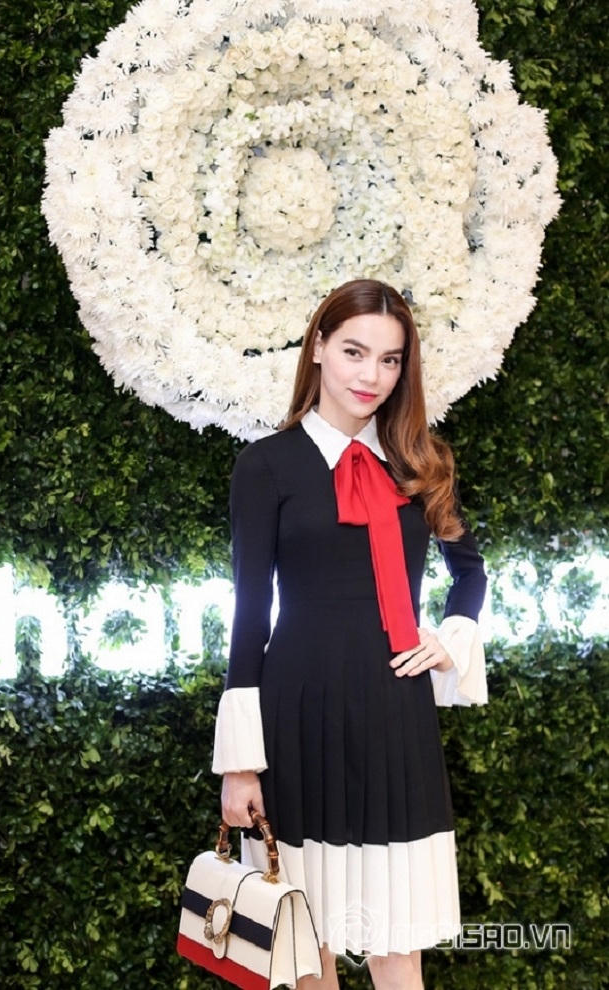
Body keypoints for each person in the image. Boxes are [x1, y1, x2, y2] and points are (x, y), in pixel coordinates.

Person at [212, 278, 487, 989]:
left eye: (390, 360)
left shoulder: (421, 461)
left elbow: (470, 573)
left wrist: (452, 637)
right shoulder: (264, 466)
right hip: (298, 713)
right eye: (354, 352)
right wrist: (240, 765)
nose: (371, 375)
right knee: (309, 949)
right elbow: (249, 615)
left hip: (396, 710)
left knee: (400, 945)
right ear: (318, 348)